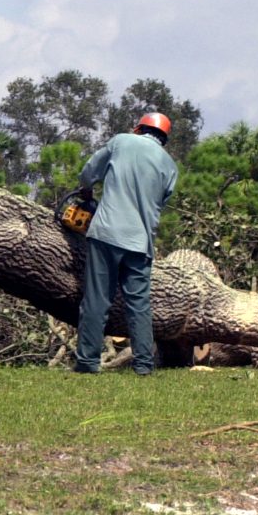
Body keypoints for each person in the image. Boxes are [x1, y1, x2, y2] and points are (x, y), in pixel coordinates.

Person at [73, 113, 178, 375]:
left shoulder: (121, 141)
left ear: (139, 129)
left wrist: (87, 190)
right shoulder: (170, 166)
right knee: (139, 305)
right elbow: (159, 203)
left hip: (106, 234)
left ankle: (87, 363)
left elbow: (88, 173)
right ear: (163, 138)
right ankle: (143, 365)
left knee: (97, 300)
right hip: (140, 243)